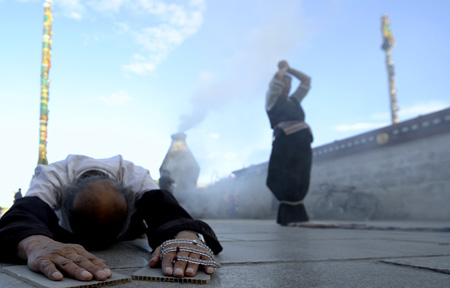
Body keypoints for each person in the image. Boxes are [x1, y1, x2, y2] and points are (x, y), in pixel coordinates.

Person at [0, 154, 222, 282]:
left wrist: (185, 235)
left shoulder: (135, 176)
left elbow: (166, 209)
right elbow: (24, 213)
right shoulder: (52, 177)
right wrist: (34, 243)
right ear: (64, 205)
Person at [265, 60, 313, 225]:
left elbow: (306, 80)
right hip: (285, 142)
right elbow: (276, 81)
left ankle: (297, 215)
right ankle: (287, 214)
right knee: (281, 176)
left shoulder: (294, 100)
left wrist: (290, 70)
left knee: (301, 175)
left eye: (289, 83)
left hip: (303, 142)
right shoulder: (272, 99)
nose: (286, 85)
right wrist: (282, 69)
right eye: (284, 81)